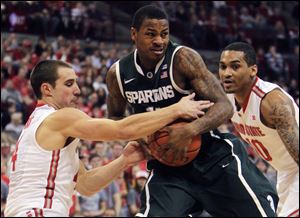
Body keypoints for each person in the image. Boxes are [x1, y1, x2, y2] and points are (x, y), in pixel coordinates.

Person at [106, 5, 279, 217]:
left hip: (212, 157)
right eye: (151, 34)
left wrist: (189, 131)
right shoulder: (118, 74)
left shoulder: (182, 59)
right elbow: (114, 118)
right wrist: (142, 136)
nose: (159, 41)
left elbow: (225, 105)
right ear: (134, 34)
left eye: (164, 34)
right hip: (167, 166)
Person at [4, 59, 211, 217]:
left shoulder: (38, 127)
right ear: (47, 89)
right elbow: (121, 129)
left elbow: (85, 185)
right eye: (69, 84)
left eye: (76, 83)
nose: (77, 90)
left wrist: (124, 161)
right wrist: (175, 109)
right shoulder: (60, 117)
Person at [219, 41, 299, 217]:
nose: (227, 73)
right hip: (285, 172)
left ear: (253, 70)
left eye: (235, 66)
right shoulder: (226, 101)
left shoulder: (272, 103)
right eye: (223, 67)